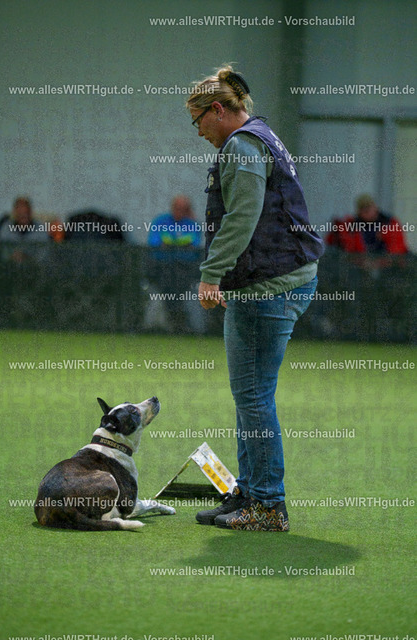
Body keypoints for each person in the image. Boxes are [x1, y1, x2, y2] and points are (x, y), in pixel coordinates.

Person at [186, 64, 324, 531]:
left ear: (218, 109)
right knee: (250, 396)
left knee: (254, 397)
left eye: (198, 120)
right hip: (279, 280)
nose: (198, 131)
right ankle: (248, 494)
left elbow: (242, 218)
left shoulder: (242, 146)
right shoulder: (262, 136)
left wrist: (211, 276)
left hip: (271, 287)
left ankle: (266, 505)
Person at [147, 195, 202, 333]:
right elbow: (154, 242)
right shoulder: (160, 221)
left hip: (185, 270)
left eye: (185, 209)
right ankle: (162, 326)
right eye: (178, 208)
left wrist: (170, 242)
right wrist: (181, 243)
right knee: (164, 293)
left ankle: (185, 326)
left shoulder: (192, 224)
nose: (180, 211)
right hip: (162, 269)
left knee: (186, 294)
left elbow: (194, 243)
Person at [326, 194, 408, 258]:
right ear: (359, 211)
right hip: (358, 267)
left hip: (386, 267)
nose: (367, 212)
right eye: (363, 209)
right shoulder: (350, 226)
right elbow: (338, 244)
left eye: (369, 208)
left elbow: (397, 250)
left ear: (375, 207)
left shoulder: (390, 224)